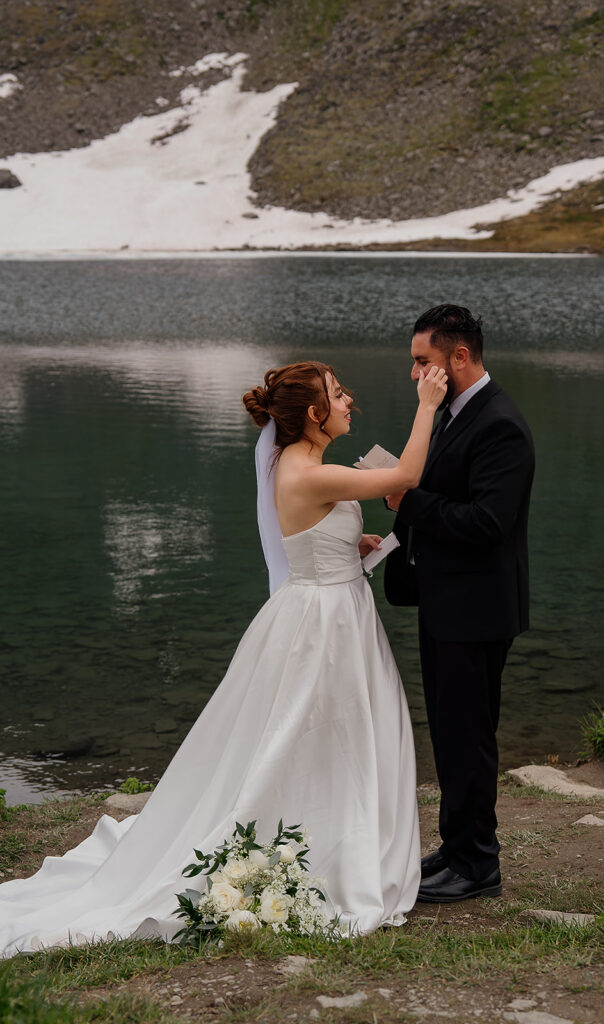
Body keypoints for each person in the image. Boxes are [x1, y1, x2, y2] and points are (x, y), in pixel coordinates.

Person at [0, 359, 447, 956]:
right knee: (317, 734)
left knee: (336, 734)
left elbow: (314, 532)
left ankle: (336, 836)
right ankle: (325, 847)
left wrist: (351, 542)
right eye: (338, 395)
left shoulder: (304, 466)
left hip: (337, 612)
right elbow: (409, 474)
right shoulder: (309, 473)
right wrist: (427, 403)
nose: (349, 402)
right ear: (313, 414)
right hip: (324, 626)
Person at [384, 305, 535, 903]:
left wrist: (409, 503)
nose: (414, 373)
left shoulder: (501, 424)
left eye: (422, 361)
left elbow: (488, 522)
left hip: (477, 610)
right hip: (446, 602)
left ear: (459, 357)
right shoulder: (452, 413)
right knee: (450, 733)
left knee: (469, 736)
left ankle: (477, 865)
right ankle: (455, 847)